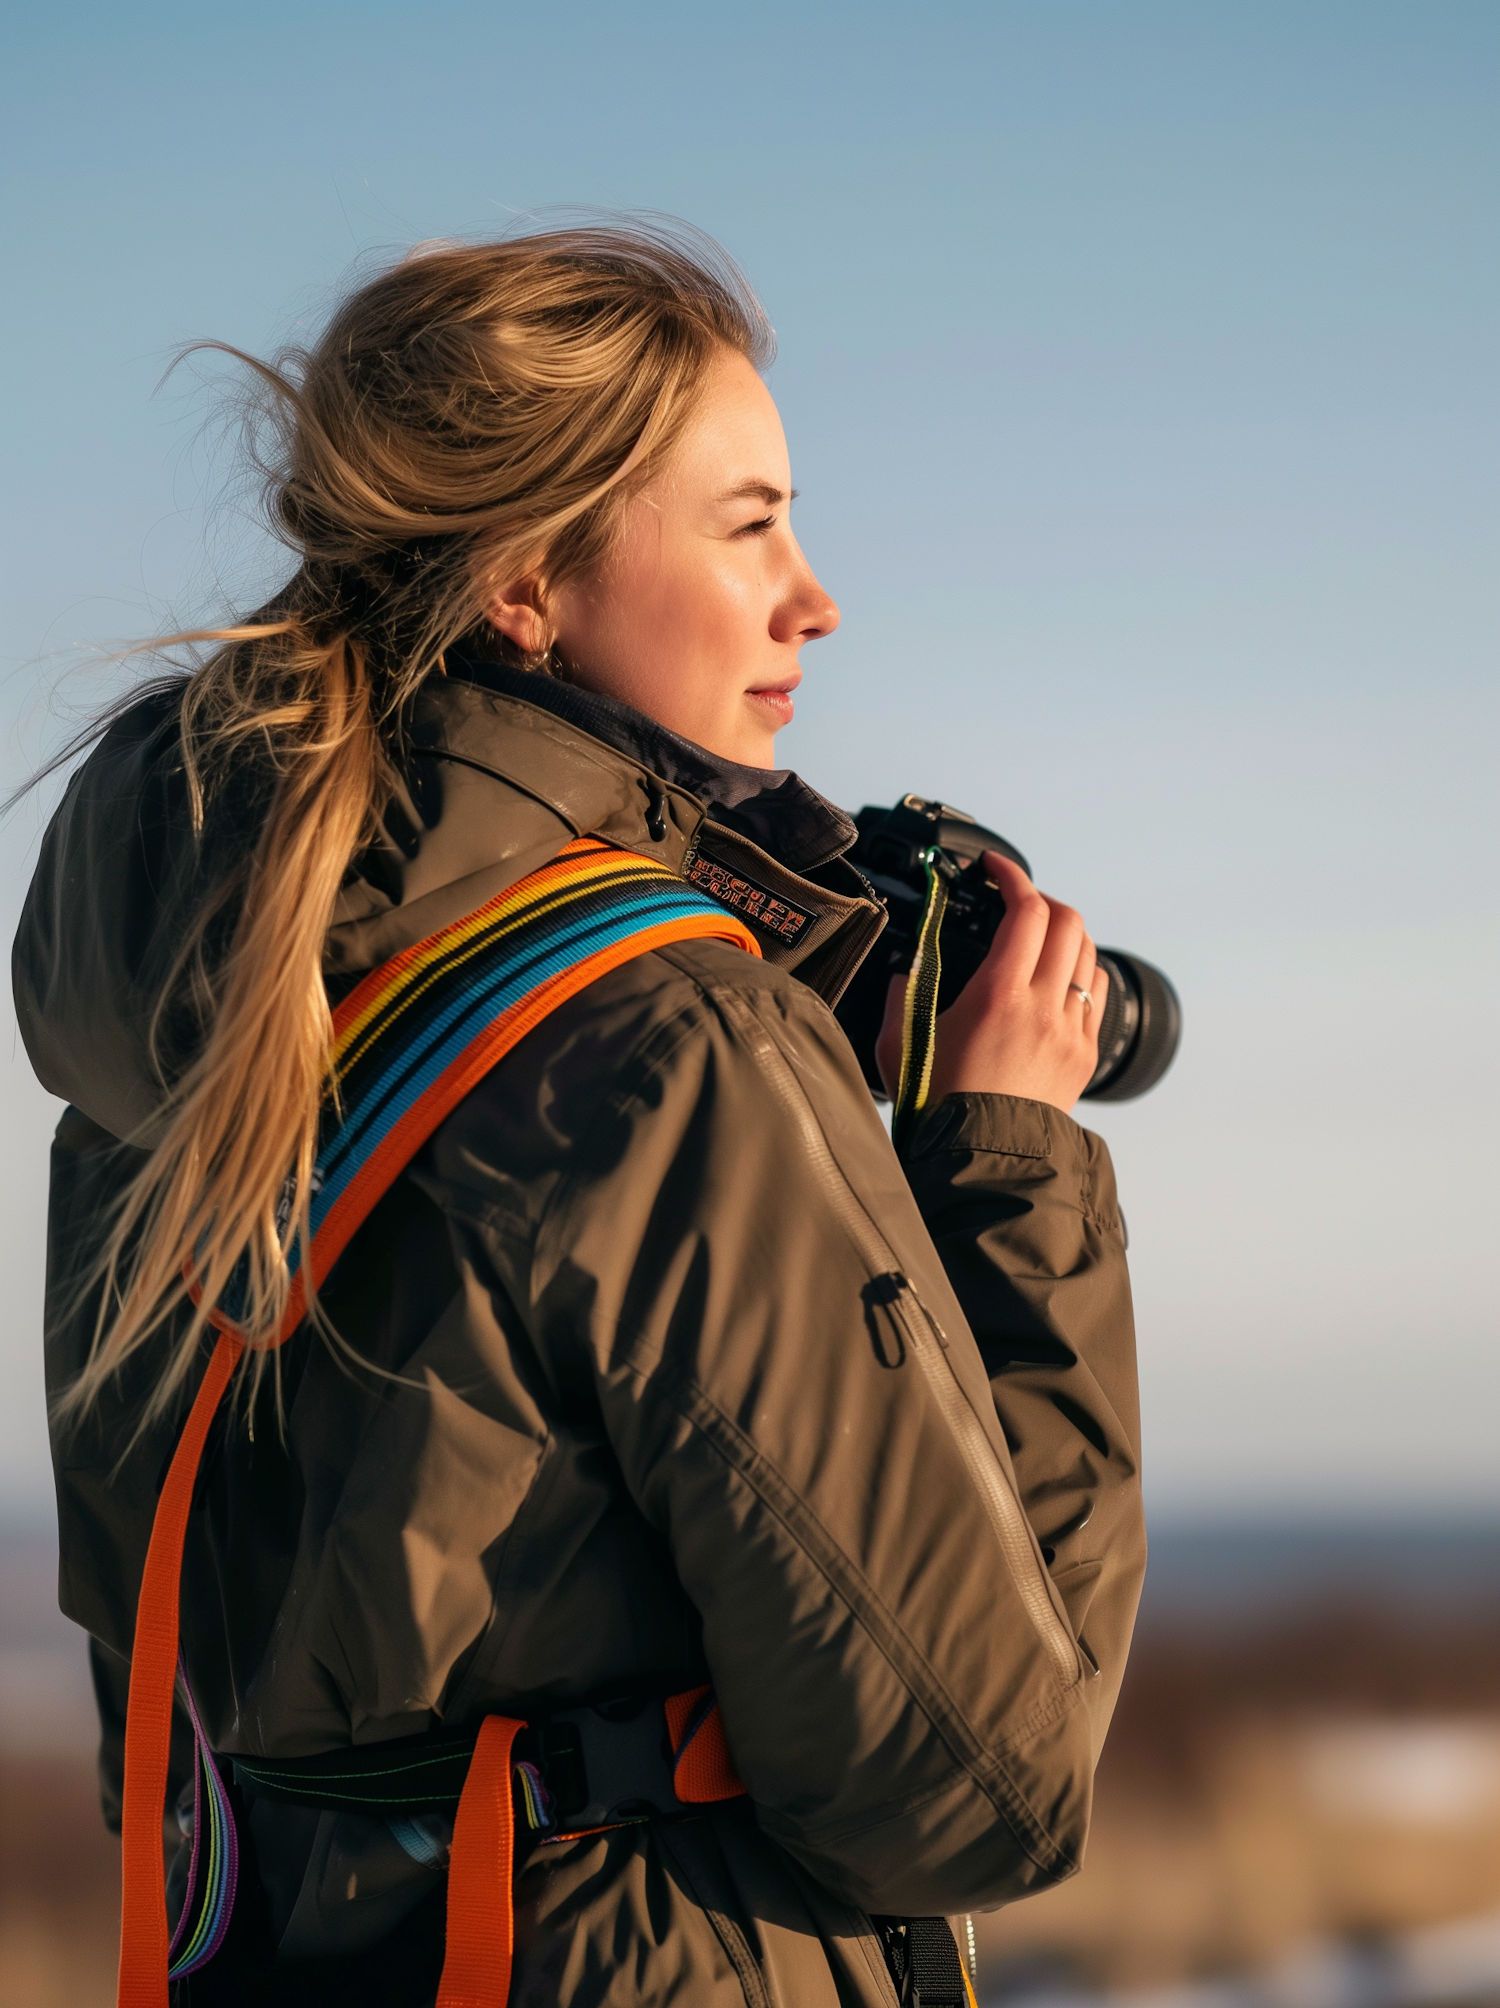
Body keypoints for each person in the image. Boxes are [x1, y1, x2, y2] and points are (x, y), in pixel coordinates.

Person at [14, 224, 1145, 2008]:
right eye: (750, 521)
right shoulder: (677, 1046)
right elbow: (969, 1790)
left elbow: (163, 1721)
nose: (814, 596)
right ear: (525, 585)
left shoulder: (177, 1018)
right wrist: (1009, 1161)